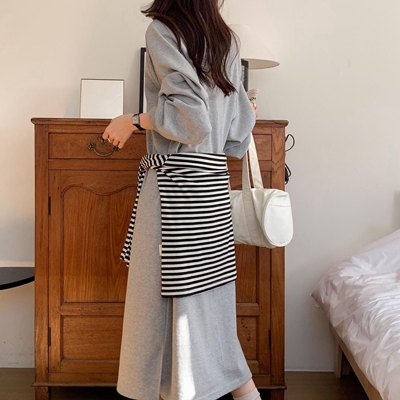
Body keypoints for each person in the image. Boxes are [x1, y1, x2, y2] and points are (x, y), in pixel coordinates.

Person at [102, 1, 259, 399]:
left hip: (175, 187)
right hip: (211, 187)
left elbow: (191, 119)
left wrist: (133, 121)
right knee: (206, 306)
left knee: (160, 310)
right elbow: (238, 131)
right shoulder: (225, 39)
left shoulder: (163, 30)